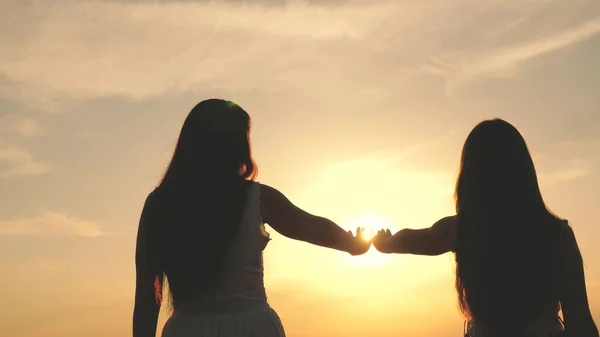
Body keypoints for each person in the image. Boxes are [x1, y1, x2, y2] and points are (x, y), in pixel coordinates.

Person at [133, 99, 370, 337]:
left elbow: (147, 295)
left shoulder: (160, 205)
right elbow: (311, 226)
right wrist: (352, 244)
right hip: (252, 328)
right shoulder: (257, 198)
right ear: (236, 146)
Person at [372, 119, 598, 337]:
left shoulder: (462, 231)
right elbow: (580, 323)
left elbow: (415, 238)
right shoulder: (557, 235)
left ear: (470, 176)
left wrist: (386, 242)